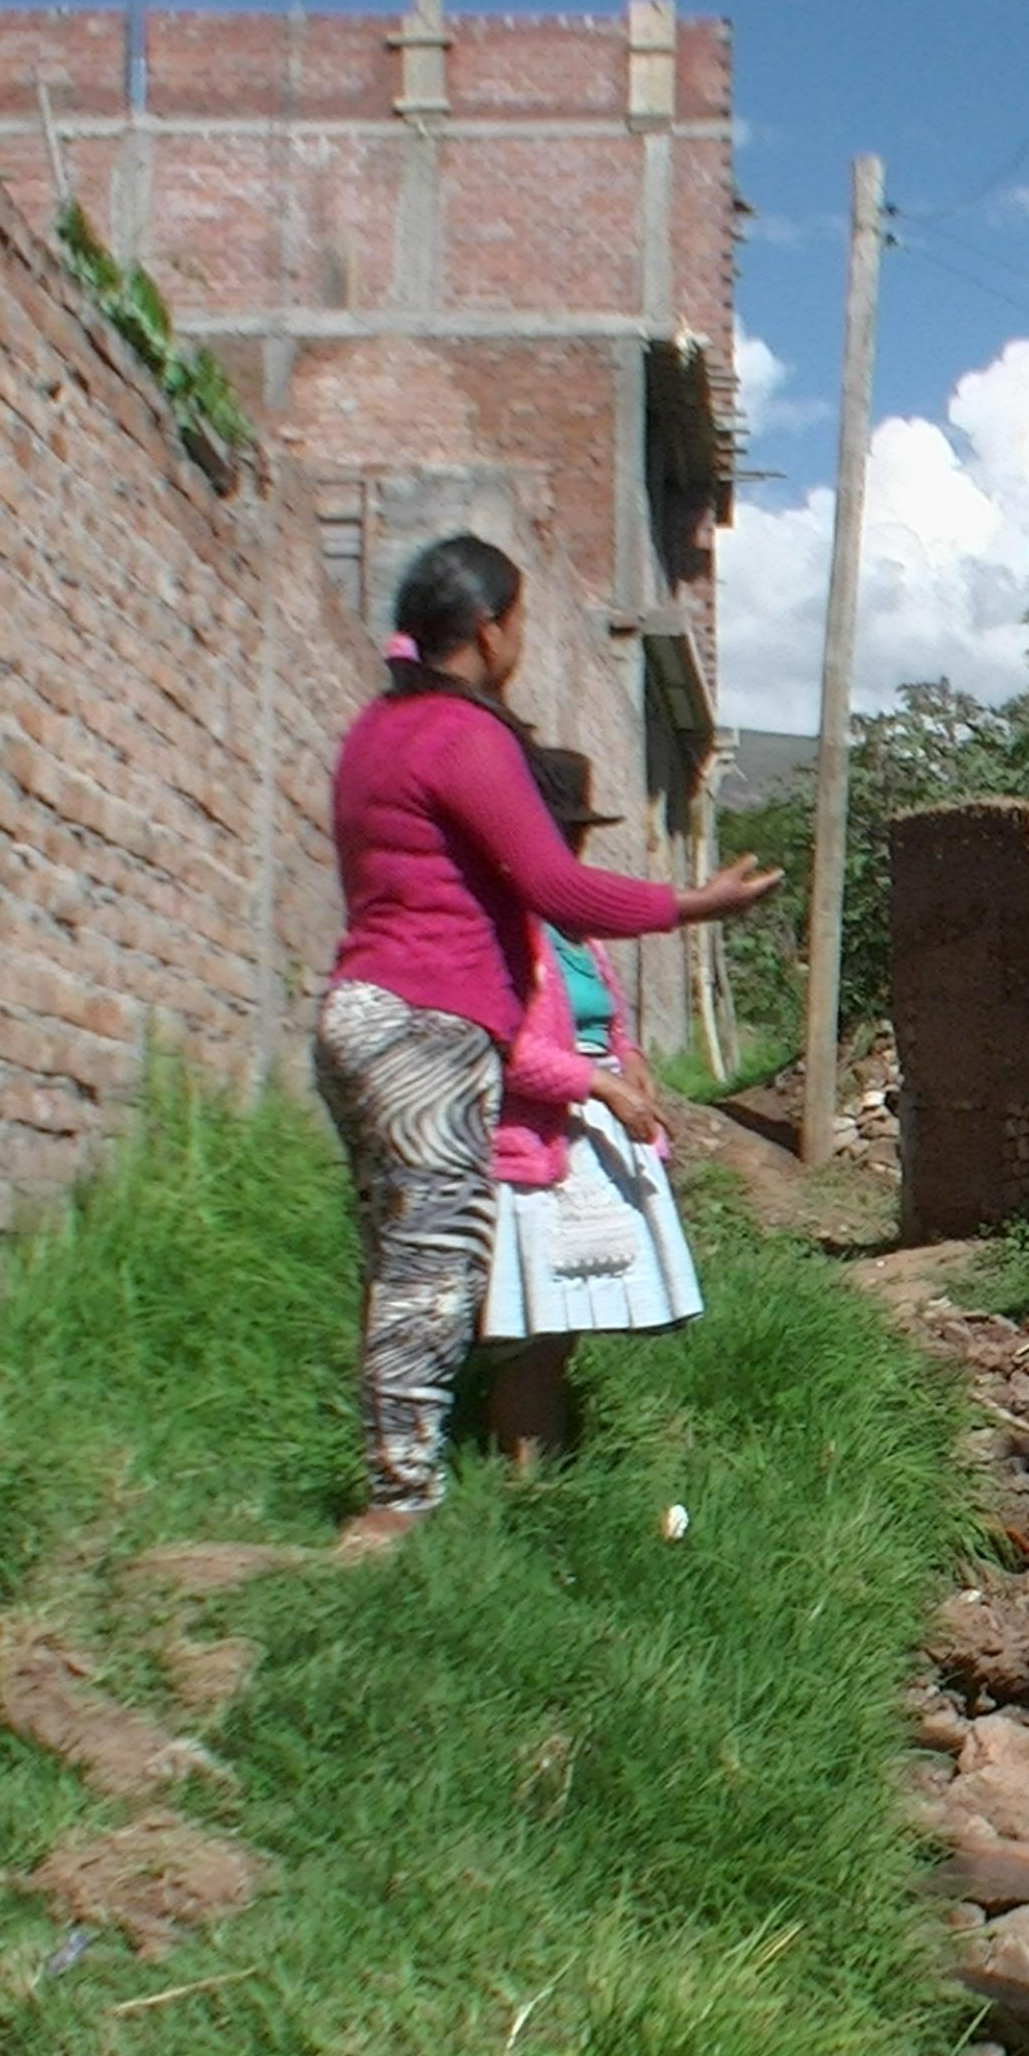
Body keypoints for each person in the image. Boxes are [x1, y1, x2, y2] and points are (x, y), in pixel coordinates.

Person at [313, 536, 775, 1547]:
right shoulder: (463, 735)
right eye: (518, 624)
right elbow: (556, 887)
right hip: (430, 1027)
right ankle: (396, 1510)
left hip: (356, 1010)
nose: (518, 642)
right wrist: (695, 904)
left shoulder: (374, 730)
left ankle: (400, 1478)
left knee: (395, 1261)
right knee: (432, 1274)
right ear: (490, 631)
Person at [480, 747, 708, 1469]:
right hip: (536, 1142)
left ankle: (546, 1465)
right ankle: (523, 1475)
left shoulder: (578, 934)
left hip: (588, 1139)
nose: (569, 849)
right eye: (557, 833)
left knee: (565, 1321)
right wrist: (602, 1085)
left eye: (575, 834)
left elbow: (610, 1027)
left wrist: (630, 1066)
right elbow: (505, 1046)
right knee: (533, 1322)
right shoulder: (505, 927)